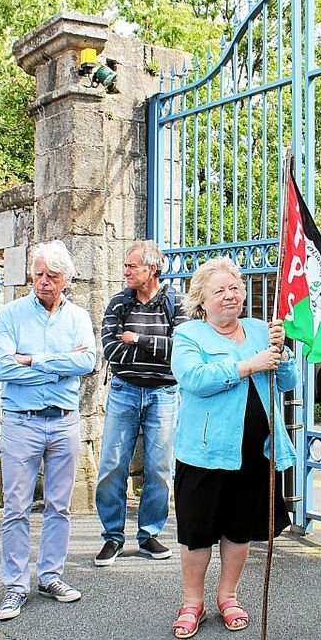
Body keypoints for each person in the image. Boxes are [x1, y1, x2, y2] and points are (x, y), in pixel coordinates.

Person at [168, 257, 298, 639]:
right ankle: (193, 602)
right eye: (219, 291)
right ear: (202, 301)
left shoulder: (262, 330)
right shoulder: (190, 335)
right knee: (197, 532)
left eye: (234, 288)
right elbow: (193, 379)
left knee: (239, 530)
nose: (230, 296)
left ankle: (229, 596)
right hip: (204, 452)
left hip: (254, 452)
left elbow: (286, 382)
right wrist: (248, 364)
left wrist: (281, 352)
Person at [0, 241, 97, 621]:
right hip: (21, 421)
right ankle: (15, 586)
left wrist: (34, 360)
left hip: (65, 419)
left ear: (66, 279)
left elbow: (87, 362)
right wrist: (60, 367)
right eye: (38, 274)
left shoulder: (79, 317)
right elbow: (4, 369)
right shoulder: (12, 314)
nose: (43, 282)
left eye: (51, 276)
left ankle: (51, 576)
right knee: (16, 506)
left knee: (60, 505)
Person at [94, 240, 187, 566]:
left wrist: (137, 339)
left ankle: (149, 535)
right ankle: (112, 537)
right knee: (111, 466)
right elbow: (111, 350)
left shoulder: (177, 300)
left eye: (132, 266)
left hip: (164, 394)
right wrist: (156, 348)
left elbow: (181, 349)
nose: (125, 271)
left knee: (160, 469)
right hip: (124, 390)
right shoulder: (119, 301)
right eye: (125, 265)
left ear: (152, 269)